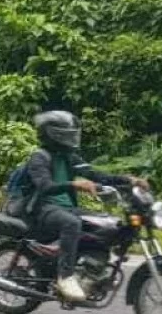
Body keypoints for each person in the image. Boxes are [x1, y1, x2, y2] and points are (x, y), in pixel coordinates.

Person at [22, 111, 148, 301]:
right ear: (52, 134)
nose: (71, 137)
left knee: (107, 224)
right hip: (42, 208)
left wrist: (129, 180)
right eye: (66, 133)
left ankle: (93, 267)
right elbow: (45, 187)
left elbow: (96, 175)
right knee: (71, 224)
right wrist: (74, 184)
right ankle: (65, 277)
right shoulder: (39, 157)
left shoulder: (69, 157)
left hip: (66, 208)